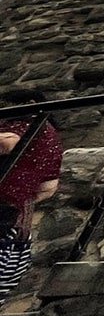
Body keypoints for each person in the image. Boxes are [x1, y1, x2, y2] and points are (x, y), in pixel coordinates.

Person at [0, 114, 63, 305]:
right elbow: (48, 189)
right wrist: (22, 194)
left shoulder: (22, 124)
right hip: (19, 228)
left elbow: (8, 143)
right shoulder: (53, 140)